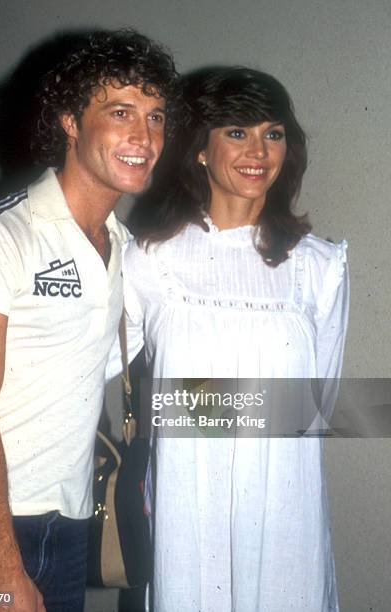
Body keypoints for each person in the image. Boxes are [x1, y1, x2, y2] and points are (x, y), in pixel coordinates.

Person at [0, 29, 177, 612]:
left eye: (155, 117)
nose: (144, 136)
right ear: (71, 121)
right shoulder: (1, 234)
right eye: (121, 112)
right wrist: (1, 569)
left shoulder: (125, 249)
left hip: (71, 522)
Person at [124, 67, 349, 611]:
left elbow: (315, 409)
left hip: (284, 507)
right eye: (236, 131)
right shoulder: (149, 259)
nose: (258, 151)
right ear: (199, 148)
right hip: (187, 503)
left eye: (272, 133)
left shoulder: (319, 266)